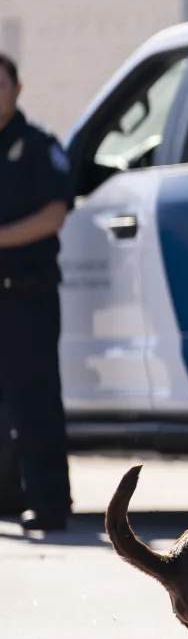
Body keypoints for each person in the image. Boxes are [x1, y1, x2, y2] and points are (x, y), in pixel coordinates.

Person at [0, 52, 74, 532]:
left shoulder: (39, 145)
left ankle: (49, 502)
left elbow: (54, 215)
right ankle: (8, 496)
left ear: (17, 88)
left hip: (27, 296)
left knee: (35, 401)